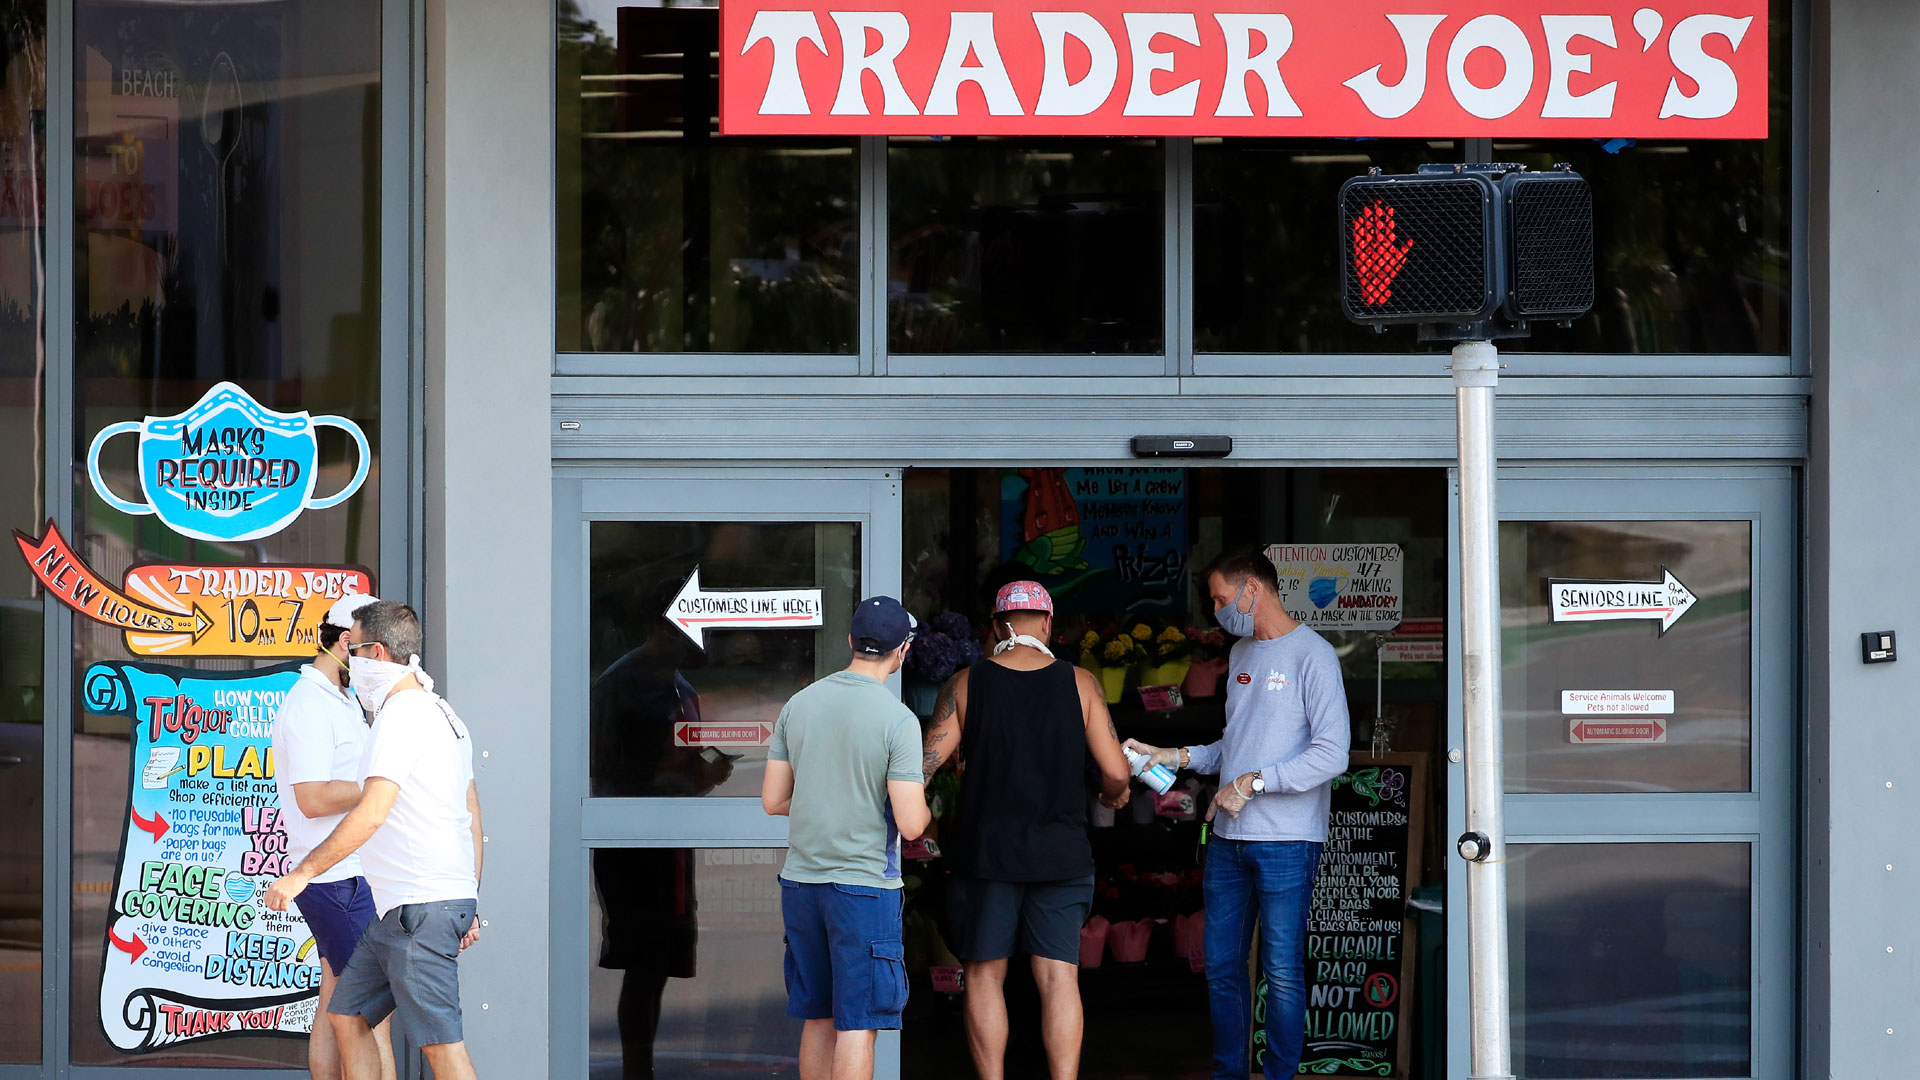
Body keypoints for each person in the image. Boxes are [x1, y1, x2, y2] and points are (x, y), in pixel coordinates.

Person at [1126, 549, 1351, 1080]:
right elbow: (1233, 747)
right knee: (1222, 968)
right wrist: (1171, 757)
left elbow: (1332, 753)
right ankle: (1230, 1073)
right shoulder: (1243, 656)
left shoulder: (1313, 656)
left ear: (1254, 589)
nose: (1217, 609)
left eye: (1221, 599)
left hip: (1288, 841)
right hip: (1227, 838)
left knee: (1282, 972)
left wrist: (1254, 783)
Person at [263, 600, 485, 1080]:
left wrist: (301, 874)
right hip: (406, 909)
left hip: (418, 909)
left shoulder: (399, 716)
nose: (352, 659)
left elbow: (373, 810)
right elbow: (471, 814)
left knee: (443, 1049)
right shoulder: (444, 715)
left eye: (357, 649)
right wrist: (470, 897)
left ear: (376, 653)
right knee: (348, 1013)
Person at [920, 580, 1132, 1080]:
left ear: (995, 627)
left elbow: (922, 766)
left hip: (986, 856)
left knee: (984, 976)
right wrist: (1111, 796)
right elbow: (1117, 771)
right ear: (1049, 624)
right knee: (1059, 979)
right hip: (1060, 856)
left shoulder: (966, 684)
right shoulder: (1081, 683)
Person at [761, 596, 931, 1080]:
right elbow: (913, 824)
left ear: (851, 642)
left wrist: (825, 796)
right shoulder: (897, 719)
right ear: (903, 652)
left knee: (819, 1017)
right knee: (858, 1022)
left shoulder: (799, 704)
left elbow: (773, 800)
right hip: (862, 889)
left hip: (801, 885)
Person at [269, 591, 396, 1080]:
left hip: (348, 875)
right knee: (369, 1020)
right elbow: (313, 798)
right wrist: (380, 786)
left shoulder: (339, 699)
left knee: (335, 1002)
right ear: (347, 644)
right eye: (371, 653)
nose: (377, 666)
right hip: (338, 879)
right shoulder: (309, 706)